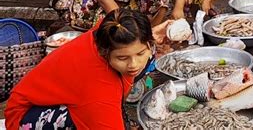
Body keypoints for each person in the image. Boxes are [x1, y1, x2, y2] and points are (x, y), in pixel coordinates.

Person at [5, 9, 172, 129]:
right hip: (24, 114)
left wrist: (154, 34)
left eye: (141, 53)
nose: (134, 64)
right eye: (122, 58)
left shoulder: (109, 28)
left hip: (58, 94)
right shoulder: (98, 90)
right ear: (104, 52)